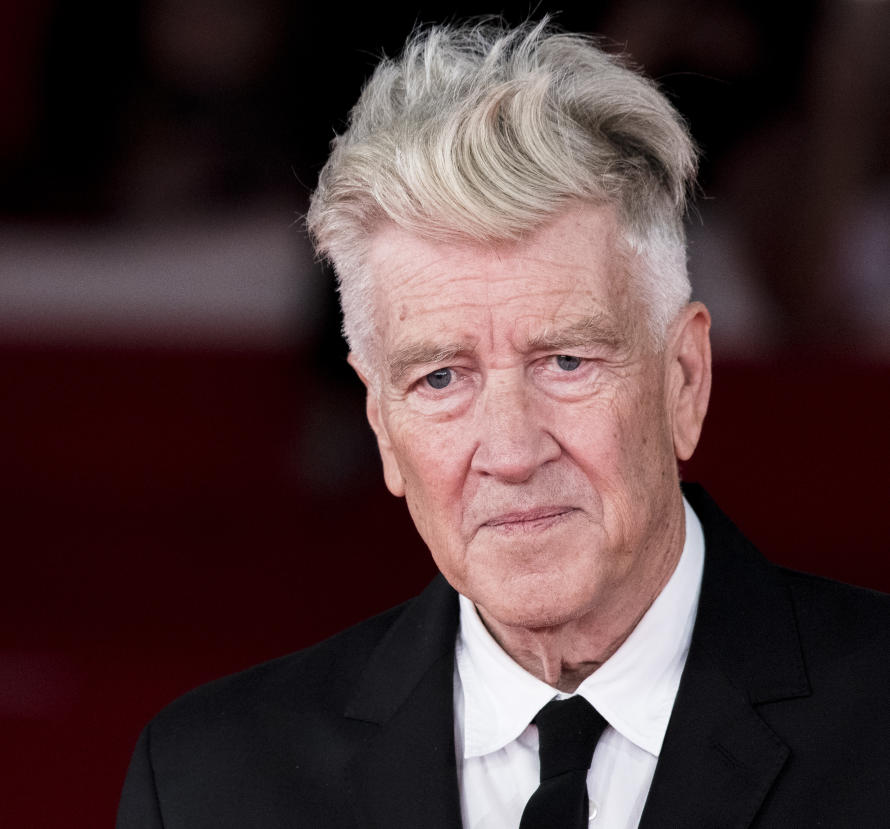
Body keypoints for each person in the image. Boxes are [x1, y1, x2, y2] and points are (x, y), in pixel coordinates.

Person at [116, 19, 890, 829]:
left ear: (684, 379)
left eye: (567, 362)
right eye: (441, 377)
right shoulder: (210, 784)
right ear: (381, 423)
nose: (513, 452)